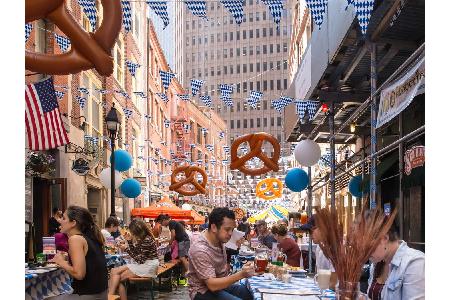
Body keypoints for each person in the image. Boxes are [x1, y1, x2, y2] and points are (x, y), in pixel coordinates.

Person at [187, 207, 254, 300]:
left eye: (232, 229)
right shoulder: (200, 249)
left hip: (219, 285)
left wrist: (237, 246)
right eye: (227, 229)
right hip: (202, 291)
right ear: (214, 227)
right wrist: (241, 274)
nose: (230, 233)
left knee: (251, 293)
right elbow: (212, 285)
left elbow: (232, 249)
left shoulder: (219, 238)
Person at [49, 206, 108, 299]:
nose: (59, 220)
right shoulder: (91, 238)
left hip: (87, 296)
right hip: (101, 294)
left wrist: (61, 262)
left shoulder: (75, 239)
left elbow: (79, 274)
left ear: (73, 223)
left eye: (63, 218)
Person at [367, 221, 424, 300]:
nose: (364, 253)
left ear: (385, 238)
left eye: (367, 247)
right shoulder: (377, 262)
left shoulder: (415, 262)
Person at [109, 219, 159, 300]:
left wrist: (126, 249)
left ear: (137, 231)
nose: (131, 233)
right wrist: (129, 242)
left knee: (117, 278)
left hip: (148, 266)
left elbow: (140, 260)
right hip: (144, 264)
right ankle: (110, 296)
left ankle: (110, 296)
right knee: (114, 271)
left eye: (132, 231)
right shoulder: (144, 238)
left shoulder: (146, 240)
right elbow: (137, 254)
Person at [300, 215, 337, 289]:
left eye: (311, 231)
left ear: (322, 229)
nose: (310, 235)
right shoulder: (319, 247)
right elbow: (318, 276)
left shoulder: (334, 249)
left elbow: (334, 283)